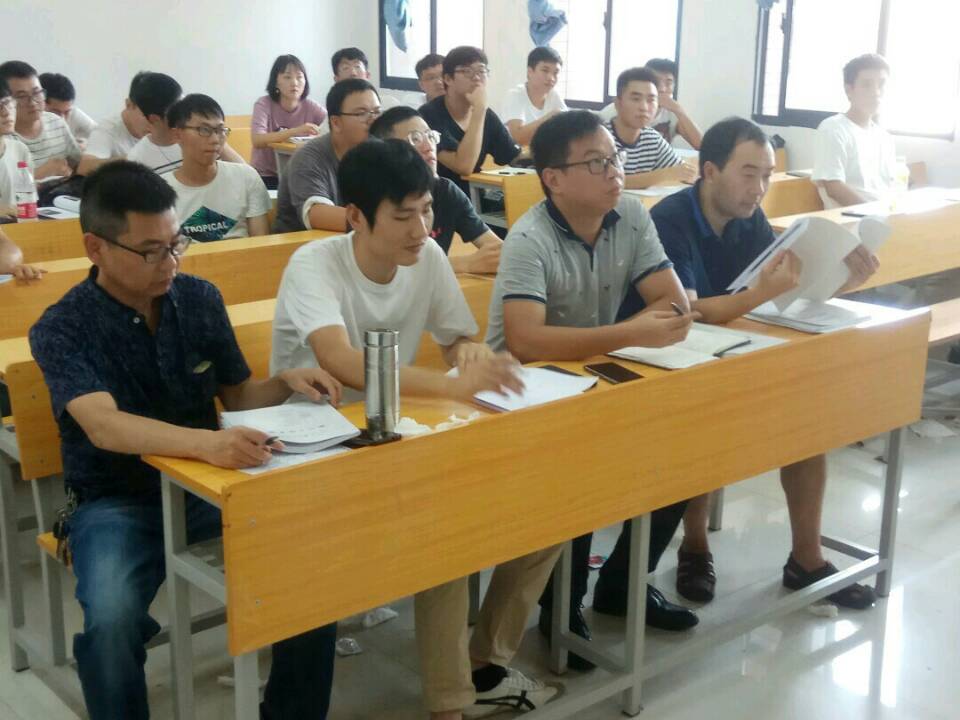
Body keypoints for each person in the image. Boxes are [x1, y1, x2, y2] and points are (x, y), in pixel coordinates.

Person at [29, 161, 340, 720]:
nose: (170, 262)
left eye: (176, 244)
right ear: (96, 247)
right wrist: (205, 444)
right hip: (116, 500)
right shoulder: (62, 326)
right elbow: (104, 425)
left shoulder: (198, 299)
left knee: (309, 578)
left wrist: (285, 382)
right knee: (111, 620)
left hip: (208, 485)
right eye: (151, 251)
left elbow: (237, 394)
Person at [272, 138, 559, 718]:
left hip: (399, 435)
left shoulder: (426, 257)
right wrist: (450, 386)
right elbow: (340, 361)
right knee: (447, 541)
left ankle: (485, 662)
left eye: (426, 210)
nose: (421, 228)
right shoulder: (314, 264)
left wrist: (470, 353)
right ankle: (449, 703)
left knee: (549, 516)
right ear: (356, 216)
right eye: (403, 216)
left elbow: (456, 337)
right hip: (320, 446)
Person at [634, 116, 880, 610]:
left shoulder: (750, 218)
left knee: (807, 425)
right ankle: (694, 545)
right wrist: (760, 294)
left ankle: (806, 559)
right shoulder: (670, 218)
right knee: (703, 425)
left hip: (739, 349)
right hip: (674, 362)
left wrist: (840, 282)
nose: (760, 188)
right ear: (709, 171)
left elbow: (779, 292)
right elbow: (688, 310)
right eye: (749, 174)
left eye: (767, 175)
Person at [485, 110, 700, 671]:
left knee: (683, 456)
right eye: (597, 162)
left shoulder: (631, 215)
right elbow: (526, 342)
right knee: (576, 476)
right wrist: (629, 332)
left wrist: (630, 333)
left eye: (615, 159)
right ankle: (562, 609)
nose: (614, 172)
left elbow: (674, 305)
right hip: (519, 394)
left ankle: (623, 586)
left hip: (592, 378)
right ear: (553, 178)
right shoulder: (529, 237)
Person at [370, 106, 502, 273]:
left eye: (430, 136)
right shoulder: (373, 198)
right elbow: (379, 268)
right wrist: (464, 264)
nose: (429, 146)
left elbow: (495, 247)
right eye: (415, 139)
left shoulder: (445, 191)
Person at [273, 78, 380, 233]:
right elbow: (317, 215)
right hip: (302, 245)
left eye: (376, 112)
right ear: (336, 123)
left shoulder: (380, 155)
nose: (373, 120)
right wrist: (385, 224)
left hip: (358, 241)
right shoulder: (308, 158)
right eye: (361, 113)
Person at [164, 94, 271, 241]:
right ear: (177, 135)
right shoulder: (160, 191)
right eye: (204, 130)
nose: (215, 139)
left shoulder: (246, 177)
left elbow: (260, 243)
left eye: (220, 130)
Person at [420, 46, 520, 195]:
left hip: (477, 196)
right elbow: (463, 166)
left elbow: (512, 156)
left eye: (481, 70)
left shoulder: (487, 115)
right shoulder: (428, 115)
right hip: (441, 198)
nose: (476, 77)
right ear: (448, 79)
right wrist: (479, 110)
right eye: (466, 71)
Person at [813, 54, 897, 209]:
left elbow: (890, 187)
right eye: (867, 84)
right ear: (849, 90)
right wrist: (874, 213)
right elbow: (833, 187)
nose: (876, 92)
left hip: (885, 216)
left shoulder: (884, 138)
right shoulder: (833, 129)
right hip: (850, 220)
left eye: (881, 84)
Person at [127, 72, 244, 174]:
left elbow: (244, 172)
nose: (185, 111)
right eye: (176, 109)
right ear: (154, 119)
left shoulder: (200, 134)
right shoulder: (138, 160)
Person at [606, 67, 697, 189]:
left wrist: (684, 173)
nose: (644, 107)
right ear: (618, 103)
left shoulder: (652, 138)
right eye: (636, 99)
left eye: (651, 100)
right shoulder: (601, 138)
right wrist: (664, 175)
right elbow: (604, 181)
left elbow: (682, 172)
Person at [251, 54, 328, 189]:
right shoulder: (264, 104)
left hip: (300, 173)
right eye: (287, 77)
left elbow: (332, 124)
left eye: (299, 77)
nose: (294, 83)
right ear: (276, 82)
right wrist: (295, 131)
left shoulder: (311, 106)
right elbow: (257, 140)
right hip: (266, 175)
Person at [0, 61, 80, 181]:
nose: (33, 102)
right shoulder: (4, 137)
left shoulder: (56, 122)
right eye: (22, 96)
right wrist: (40, 173)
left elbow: (79, 164)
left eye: (37, 93)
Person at [600, 59, 702, 149]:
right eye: (657, 82)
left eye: (668, 83)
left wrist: (680, 111)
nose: (662, 89)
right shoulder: (616, 111)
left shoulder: (673, 113)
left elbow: (701, 145)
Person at [77, 71, 154, 176]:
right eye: (147, 116)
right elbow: (85, 167)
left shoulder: (166, 124)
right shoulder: (107, 128)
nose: (154, 125)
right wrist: (135, 159)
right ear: (129, 105)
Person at [502, 46, 568, 146]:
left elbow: (569, 129)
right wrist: (551, 117)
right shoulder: (515, 95)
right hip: (518, 154)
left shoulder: (554, 95)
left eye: (555, 73)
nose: (551, 78)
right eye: (545, 71)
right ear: (530, 72)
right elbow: (518, 138)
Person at [39, 72, 96, 147]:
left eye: (66, 112)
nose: (62, 119)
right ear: (39, 103)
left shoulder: (73, 113)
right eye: (56, 112)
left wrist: (87, 144)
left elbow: (103, 135)